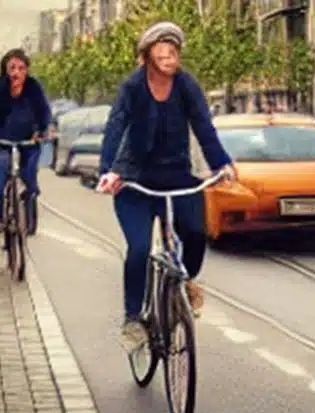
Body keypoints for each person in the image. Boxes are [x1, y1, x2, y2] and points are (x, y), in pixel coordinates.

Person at [94, 22, 237, 351]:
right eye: (161, 52)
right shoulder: (132, 87)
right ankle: (133, 318)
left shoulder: (186, 86)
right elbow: (116, 126)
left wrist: (221, 164)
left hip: (177, 179)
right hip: (135, 184)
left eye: (173, 52)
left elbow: (203, 125)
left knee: (197, 234)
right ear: (147, 57)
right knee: (141, 249)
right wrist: (109, 171)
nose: (169, 58)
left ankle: (184, 283)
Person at [0, 48, 51, 236]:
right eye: (12, 68)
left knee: (30, 179)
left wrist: (43, 131)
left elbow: (44, 111)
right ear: (5, 70)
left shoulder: (34, 87)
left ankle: (28, 211)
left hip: (29, 143)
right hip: (1, 143)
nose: (16, 73)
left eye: (21, 68)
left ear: (27, 71)